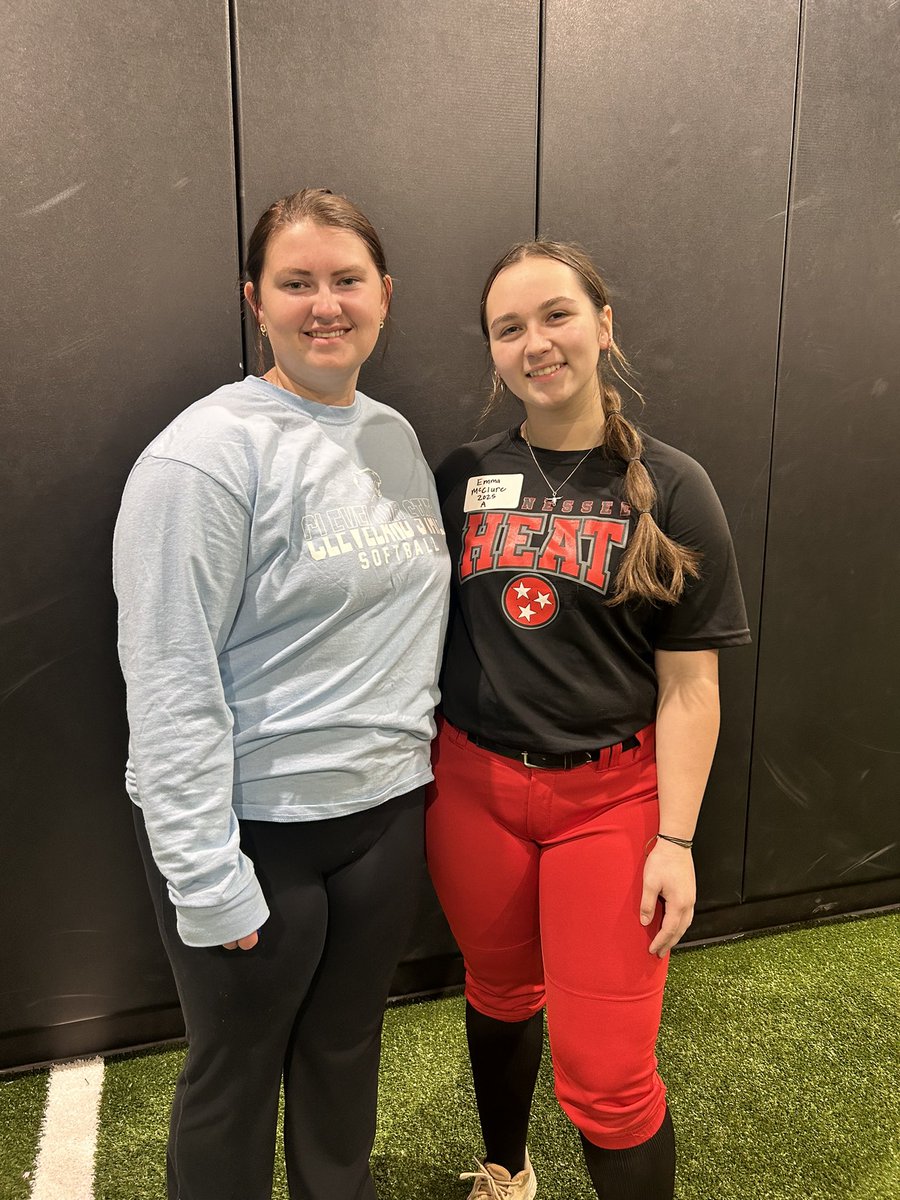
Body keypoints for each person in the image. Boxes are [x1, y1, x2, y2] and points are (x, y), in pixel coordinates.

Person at [113, 187, 450, 1200]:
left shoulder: (391, 435)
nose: (325, 304)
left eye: (347, 280)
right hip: (258, 829)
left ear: (384, 295)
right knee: (236, 1074)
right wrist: (206, 877)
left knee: (346, 1055)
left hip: (384, 815)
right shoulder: (202, 457)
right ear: (255, 300)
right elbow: (169, 683)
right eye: (296, 283)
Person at [426, 239, 750, 1200]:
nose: (536, 342)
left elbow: (692, 688)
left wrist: (676, 840)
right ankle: (506, 1171)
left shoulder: (677, 488)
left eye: (556, 314)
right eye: (508, 327)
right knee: (498, 995)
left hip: (609, 804)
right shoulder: (460, 475)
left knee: (610, 1080)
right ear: (491, 350)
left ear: (603, 325)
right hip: (472, 791)